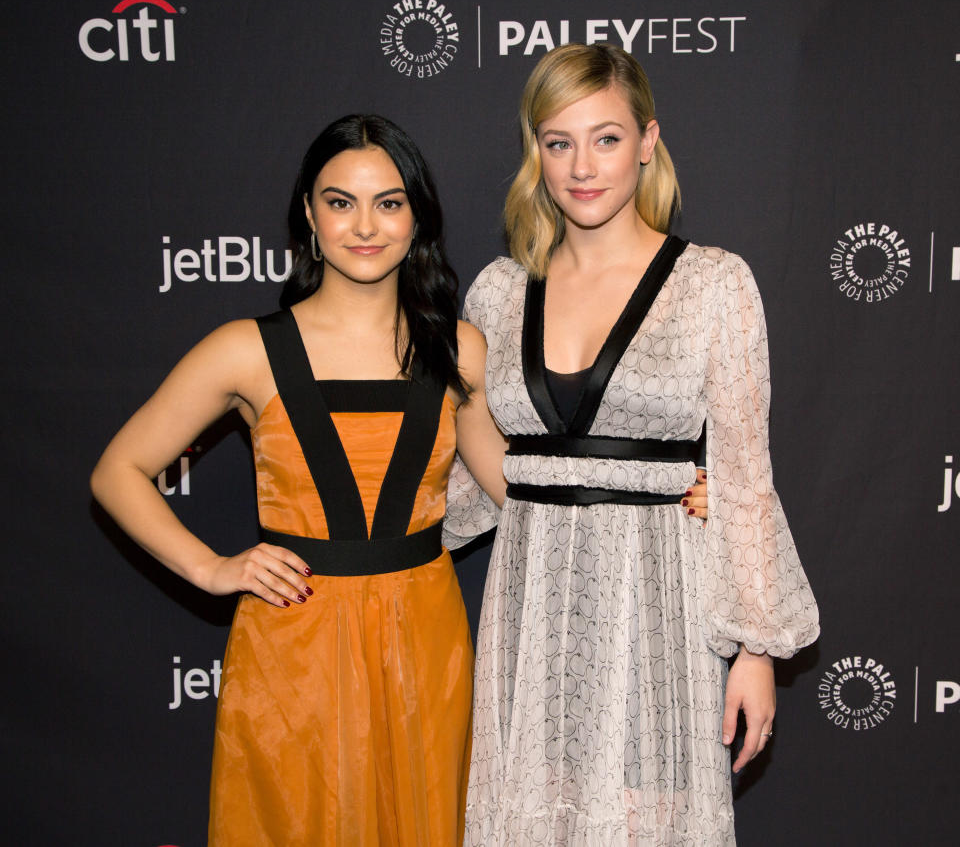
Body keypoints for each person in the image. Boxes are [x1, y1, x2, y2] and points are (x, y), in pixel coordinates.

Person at [90, 114, 506, 846]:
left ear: (418, 218)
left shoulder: (459, 348)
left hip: (427, 644)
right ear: (309, 217)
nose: (365, 225)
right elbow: (117, 471)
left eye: (389, 201)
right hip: (295, 644)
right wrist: (212, 566)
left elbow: (516, 487)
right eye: (340, 201)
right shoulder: (245, 350)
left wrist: (666, 494)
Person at [462, 43, 820, 845]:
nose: (582, 166)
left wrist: (756, 650)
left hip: (662, 601)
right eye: (558, 142)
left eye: (607, 138)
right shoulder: (498, 289)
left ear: (648, 141)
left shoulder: (713, 283)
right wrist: (540, 509)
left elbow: (744, 473)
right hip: (533, 607)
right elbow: (474, 434)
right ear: (537, 153)